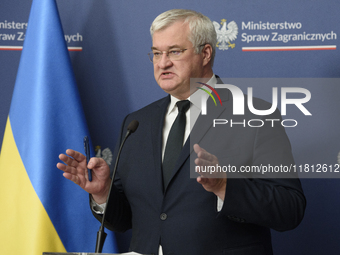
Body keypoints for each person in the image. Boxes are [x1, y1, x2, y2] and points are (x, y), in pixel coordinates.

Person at [57, 9, 306, 255]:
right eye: (156, 53)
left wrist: (224, 186)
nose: (163, 62)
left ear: (205, 53)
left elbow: (290, 209)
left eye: (175, 51)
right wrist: (103, 191)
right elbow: (127, 220)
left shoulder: (253, 114)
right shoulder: (137, 123)